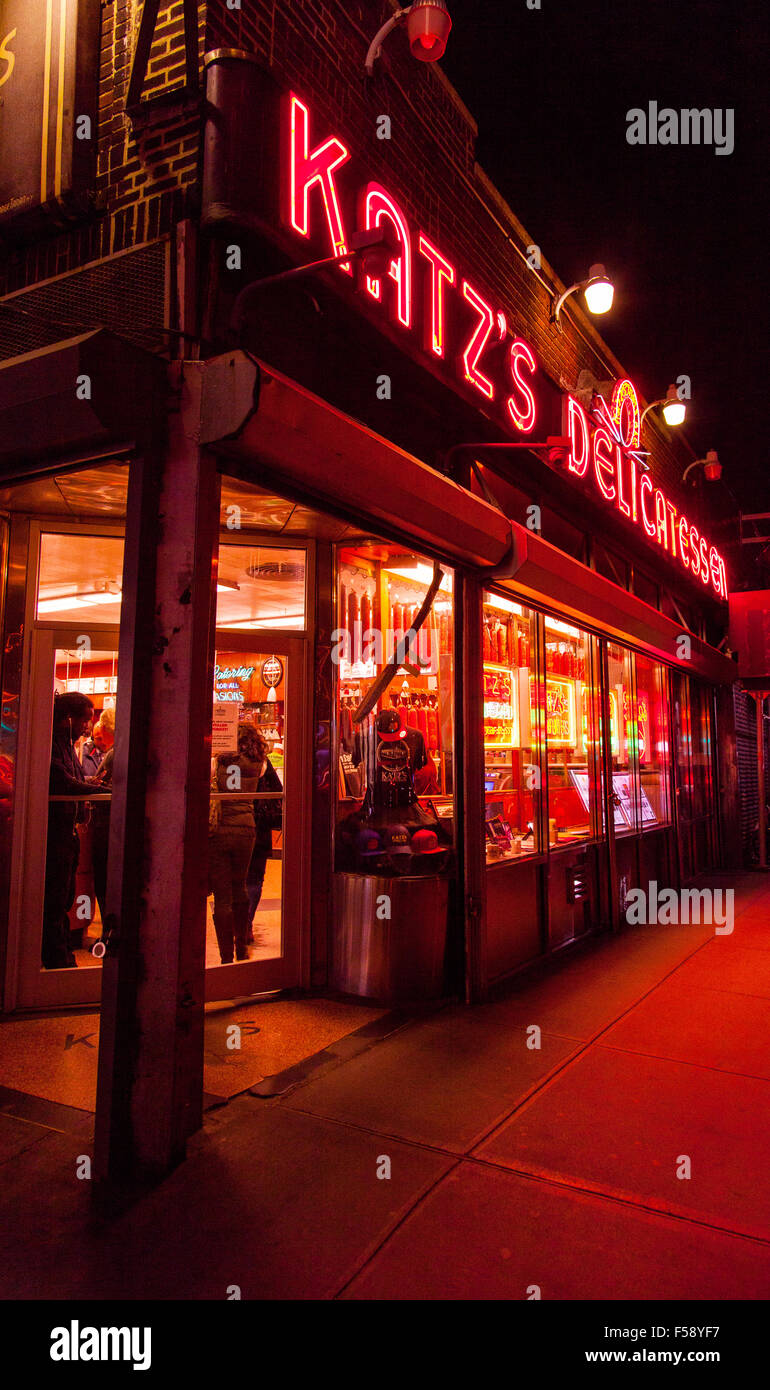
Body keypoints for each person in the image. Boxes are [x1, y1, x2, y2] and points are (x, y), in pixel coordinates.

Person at [42, 692, 95, 969]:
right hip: (54, 834)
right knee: (55, 896)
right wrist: (101, 790)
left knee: (63, 896)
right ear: (68, 719)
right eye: (85, 720)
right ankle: (57, 958)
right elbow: (63, 782)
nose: (87, 727)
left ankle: (60, 956)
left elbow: (72, 780)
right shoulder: (50, 743)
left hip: (67, 832)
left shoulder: (67, 744)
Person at [208, 723, 264, 963]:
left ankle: (225, 957)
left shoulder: (217, 762)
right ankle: (241, 948)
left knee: (222, 894)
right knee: (240, 885)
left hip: (220, 829)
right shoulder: (258, 764)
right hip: (246, 828)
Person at [246, 745, 283, 941]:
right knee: (255, 878)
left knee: (231, 880)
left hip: (227, 828)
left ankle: (234, 924)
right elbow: (278, 790)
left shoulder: (222, 763)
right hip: (258, 827)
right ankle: (247, 923)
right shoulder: (263, 764)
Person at [89, 707, 116, 931]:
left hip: (107, 824)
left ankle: (109, 933)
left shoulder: (113, 754)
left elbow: (103, 785)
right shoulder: (120, 750)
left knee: (105, 880)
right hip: (113, 823)